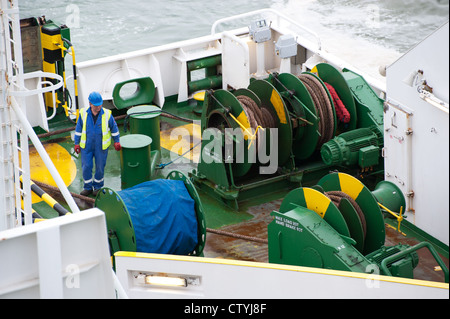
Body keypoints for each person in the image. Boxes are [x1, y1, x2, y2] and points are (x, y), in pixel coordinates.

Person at [74, 91, 121, 196]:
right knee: (86, 166)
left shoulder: (107, 114)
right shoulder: (83, 114)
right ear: (90, 103)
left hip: (101, 146)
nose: (98, 107)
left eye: (100, 104)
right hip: (86, 146)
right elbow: (78, 130)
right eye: (96, 105)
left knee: (100, 166)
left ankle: (98, 187)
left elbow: (114, 128)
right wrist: (76, 143)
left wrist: (117, 141)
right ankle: (88, 187)